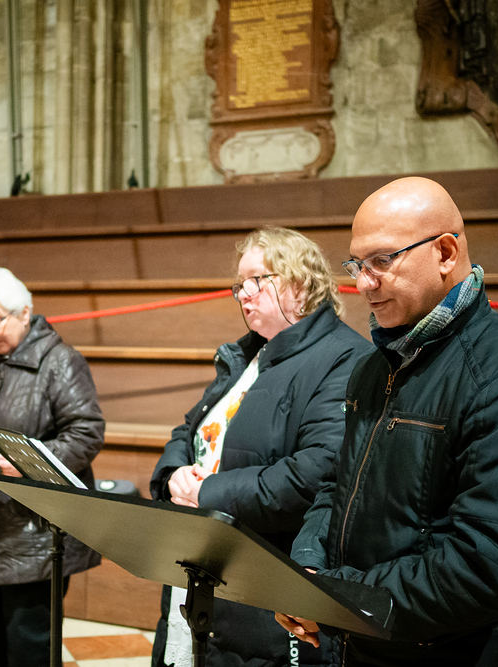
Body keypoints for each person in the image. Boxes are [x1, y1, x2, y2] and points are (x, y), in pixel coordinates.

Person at [275, 177, 498, 666]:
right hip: (363, 642)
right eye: (357, 264)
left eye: (382, 260)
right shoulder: (373, 367)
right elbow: (337, 486)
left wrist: (336, 597)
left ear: (446, 253)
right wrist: (306, 570)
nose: (363, 283)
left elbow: (497, 569)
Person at [150, 227, 371, 667]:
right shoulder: (249, 354)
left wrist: (207, 492)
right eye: (240, 284)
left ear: (301, 284)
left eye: (257, 280)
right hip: (204, 567)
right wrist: (173, 475)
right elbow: (189, 430)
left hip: (268, 587)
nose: (243, 294)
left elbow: (316, 473)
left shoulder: (345, 357)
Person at [0, 267, 105, 667]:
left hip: (33, 541)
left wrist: (30, 461)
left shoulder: (60, 361)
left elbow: (86, 433)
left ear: (24, 312)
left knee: (30, 655)